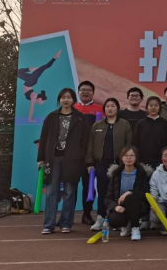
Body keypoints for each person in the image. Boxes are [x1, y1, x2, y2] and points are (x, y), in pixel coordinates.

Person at [37, 88, 90, 235]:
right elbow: (44, 138)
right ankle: (48, 225)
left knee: (69, 192)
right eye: (63, 97)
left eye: (69, 97)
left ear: (73, 100)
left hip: (72, 160)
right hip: (53, 159)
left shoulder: (80, 118)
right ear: (59, 100)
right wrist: (41, 159)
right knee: (51, 192)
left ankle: (66, 223)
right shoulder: (51, 117)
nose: (66, 100)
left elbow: (85, 140)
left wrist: (81, 157)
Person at [86, 98, 133, 231]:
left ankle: (116, 219)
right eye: (107, 106)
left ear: (117, 109)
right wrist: (89, 162)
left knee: (118, 192)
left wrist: (127, 161)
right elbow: (90, 144)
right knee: (102, 192)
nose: (110, 108)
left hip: (119, 164)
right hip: (101, 163)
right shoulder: (97, 125)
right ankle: (101, 218)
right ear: (104, 109)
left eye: (113, 106)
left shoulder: (124, 124)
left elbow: (129, 143)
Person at [105, 145, 150, 241]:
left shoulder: (142, 173)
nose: (128, 158)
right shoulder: (116, 174)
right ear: (122, 158)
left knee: (130, 197)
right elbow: (108, 198)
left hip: (139, 206)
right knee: (114, 221)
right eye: (126, 155)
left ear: (136, 157)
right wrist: (115, 207)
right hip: (122, 207)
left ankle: (135, 228)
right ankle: (127, 224)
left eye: (131, 155)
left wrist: (130, 192)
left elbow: (146, 195)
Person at [74, 80, 104, 225]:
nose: (85, 92)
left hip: (91, 154)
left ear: (93, 93)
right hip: (74, 154)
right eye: (83, 90)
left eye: (88, 90)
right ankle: (67, 216)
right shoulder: (72, 108)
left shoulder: (100, 109)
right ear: (78, 92)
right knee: (71, 186)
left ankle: (86, 214)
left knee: (89, 185)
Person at [17, 50, 60, 123]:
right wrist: (30, 119)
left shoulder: (34, 97)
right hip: (30, 82)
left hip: (29, 81)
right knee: (43, 67)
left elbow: (31, 108)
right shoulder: (34, 96)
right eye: (42, 100)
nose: (41, 102)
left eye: (42, 101)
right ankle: (55, 58)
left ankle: (30, 69)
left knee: (18, 73)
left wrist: (30, 119)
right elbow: (34, 106)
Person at [132, 96, 167, 171]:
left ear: (160, 108)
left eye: (156, 105)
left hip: (161, 161)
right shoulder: (141, 124)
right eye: (151, 105)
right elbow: (135, 143)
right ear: (146, 107)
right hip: (143, 162)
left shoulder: (165, 123)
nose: (153, 108)